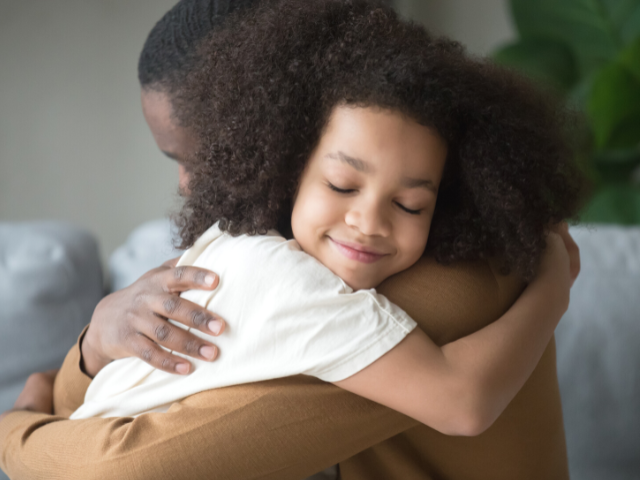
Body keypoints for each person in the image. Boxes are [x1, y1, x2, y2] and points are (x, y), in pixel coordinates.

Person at [0, 1, 582, 478]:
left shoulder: (433, 287)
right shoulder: (276, 253)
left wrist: (15, 429)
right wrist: (95, 344)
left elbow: (129, 468)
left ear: (279, 133)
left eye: (200, 155)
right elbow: (93, 398)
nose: (185, 183)